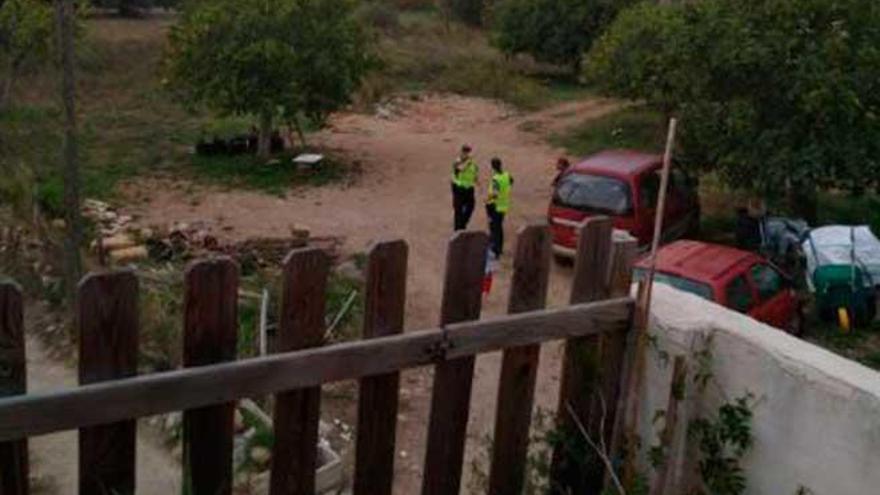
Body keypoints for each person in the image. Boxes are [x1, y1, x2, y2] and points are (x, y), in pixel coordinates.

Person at [486, 157, 513, 257]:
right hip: (503, 205)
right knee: (499, 227)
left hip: (495, 206)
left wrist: (488, 200)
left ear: (492, 166)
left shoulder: (495, 179)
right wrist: (506, 190)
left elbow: (495, 193)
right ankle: (499, 247)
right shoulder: (506, 175)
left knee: (494, 227)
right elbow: (511, 181)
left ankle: (496, 249)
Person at [451, 144, 479, 230]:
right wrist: (467, 162)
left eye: (468, 152)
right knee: (458, 209)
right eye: (465, 152)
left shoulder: (473, 163)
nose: (467, 154)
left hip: (469, 188)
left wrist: (476, 181)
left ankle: (463, 224)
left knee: (471, 206)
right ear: (462, 152)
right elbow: (461, 169)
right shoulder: (458, 161)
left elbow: (475, 173)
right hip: (458, 187)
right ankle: (458, 229)